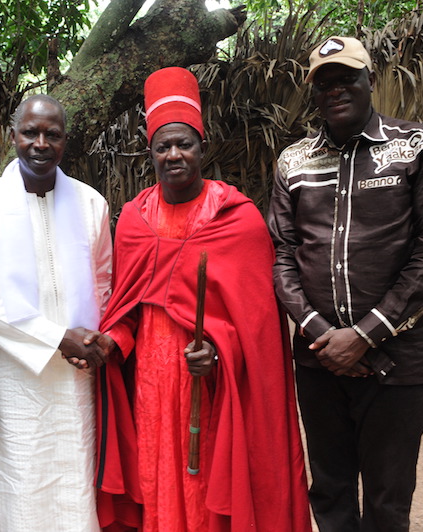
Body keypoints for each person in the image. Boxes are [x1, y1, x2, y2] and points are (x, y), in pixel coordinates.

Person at [94, 67, 311, 532]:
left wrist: (219, 350)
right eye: (163, 146)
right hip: (150, 381)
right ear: (149, 152)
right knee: (157, 474)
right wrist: (113, 339)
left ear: (202, 146)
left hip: (210, 384)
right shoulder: (134, 219)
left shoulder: (237, 218)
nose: (174, 155)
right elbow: (126, 308)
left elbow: (259, 327)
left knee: (206, 478)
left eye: (184, 144)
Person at [267, 36, 423, 531]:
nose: (335, 89)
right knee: (330, 490)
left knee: (387, 497)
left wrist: (365, 335)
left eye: (346, 77)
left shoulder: (419, 147)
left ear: (369, 79)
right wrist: (321, 334)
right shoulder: (293, 162)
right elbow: (283, 255)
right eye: (323, 82)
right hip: (319, 358)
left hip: (400, 360)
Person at [0, 94, 112, 531]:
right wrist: (55, 337)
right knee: (21, 483)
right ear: (13, 136)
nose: (40, 143)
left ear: (66, 142)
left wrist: (90, 341)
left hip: (77, 374)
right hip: (16, 375)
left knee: (77, 480)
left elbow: (105, 281)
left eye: (52, 135)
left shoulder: (90, 204)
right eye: (30, 132)